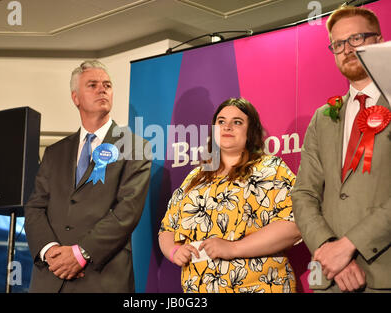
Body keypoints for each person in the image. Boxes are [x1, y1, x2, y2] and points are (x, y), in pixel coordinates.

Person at [24, 60, 152, 292]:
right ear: (75, 98)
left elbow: (127, 212)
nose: (102, 89)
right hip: (51, 277)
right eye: (92, 85)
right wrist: (50, 250)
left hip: (101, 277)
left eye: (107, 85)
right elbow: (35, 207)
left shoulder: (135, 147)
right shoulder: (54, 153)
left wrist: (79, 253)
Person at [292, 5, 390, 293]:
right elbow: (304, 193)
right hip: (330, 276)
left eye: (356, 38)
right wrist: (328, 247)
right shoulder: (323, 117)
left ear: (379, 40)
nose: (347, 49)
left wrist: (350, 245)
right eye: (338, 44)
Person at [158, 98, 301, 293]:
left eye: (237, 122)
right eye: (221, 121)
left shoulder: (271, 169)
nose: (227, 127)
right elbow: (167, 228)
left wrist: (233, 248)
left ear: (251, 131)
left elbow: (295, 224)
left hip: (259, 285)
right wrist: (174, 251)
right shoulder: (195, 177)